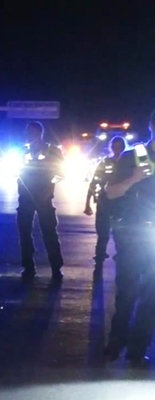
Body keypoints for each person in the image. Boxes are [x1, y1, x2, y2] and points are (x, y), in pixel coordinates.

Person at [102, 109, 155, 366]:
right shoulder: (133, 156)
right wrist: (134, 178)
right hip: (133, 233)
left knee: (152, 297)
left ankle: (138, 347)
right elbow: (111, 193)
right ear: (152, 126)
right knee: (127, 291)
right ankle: (116, 341)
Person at [16, 120, 65, 280]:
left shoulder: (53, 150)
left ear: (39, 133)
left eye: (31, 132)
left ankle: (56, 268)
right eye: (27, 132)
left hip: (44, 198)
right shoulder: (22, 151)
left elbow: (61, 173)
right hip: (25, 198)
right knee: (24, 233)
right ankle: (28, 267)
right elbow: (16, 170)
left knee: (49, 233)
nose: (28, 135)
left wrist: (49, 184)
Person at [83, 135, 126, 267]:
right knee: (102, 233)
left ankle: (122, 257)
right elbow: (94, 183)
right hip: (105, 203)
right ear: (111, 147)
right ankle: (100, 255)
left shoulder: (128, 163)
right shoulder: (105, 162)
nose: (117, 149)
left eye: (119, 146)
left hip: (122, 204)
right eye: (115, 146)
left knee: (121, 235)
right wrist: (87, 203)